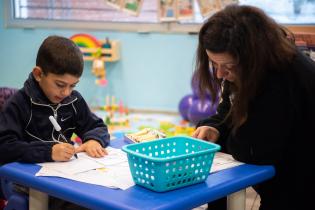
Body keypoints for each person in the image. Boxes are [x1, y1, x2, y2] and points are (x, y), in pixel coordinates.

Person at [192, 5, 315, 210]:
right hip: (283, 179)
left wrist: (228, 136)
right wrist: (215, 127)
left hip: (301, 186)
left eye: (228, 67)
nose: (220, 74)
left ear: (251, 57)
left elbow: (252, 150)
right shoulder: (247, 67)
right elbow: (228, 111)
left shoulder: (281, 79)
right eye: (214, 64)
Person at [0, 35, 110, 209]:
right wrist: (48, 152)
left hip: (63, 177)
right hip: (22, 181)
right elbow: (5, 147)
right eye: (60, 84)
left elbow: (97, 126)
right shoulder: (18, 103)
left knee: (100, 199)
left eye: (73, 86)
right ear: (38, 74)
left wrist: (93, 140)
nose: (66, 92)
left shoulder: (73, 101)